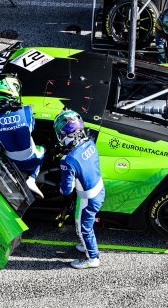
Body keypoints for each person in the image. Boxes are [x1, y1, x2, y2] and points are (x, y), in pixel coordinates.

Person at [53, 110, 105, 269]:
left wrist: (61, 188)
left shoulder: (68, 160)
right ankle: (86, 244)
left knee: (83, 228)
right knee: (85, 227)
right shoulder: (90, 142)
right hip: (99, 189)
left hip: (87, 199)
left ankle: (92, 258)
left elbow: (67, 190)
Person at [0, 74, 45, 198]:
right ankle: (32, 178)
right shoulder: (27, 110)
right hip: (32, 160)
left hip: (13, 164)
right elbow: (32, 128)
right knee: (43, 148)